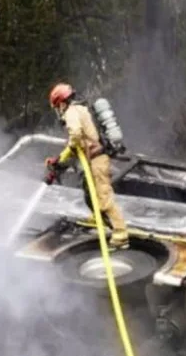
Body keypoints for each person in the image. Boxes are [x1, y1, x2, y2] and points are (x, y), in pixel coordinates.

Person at [46, 82, 130, 249]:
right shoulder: (80, 110)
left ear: (61, 103)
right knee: (89, 193)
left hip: (97, 159)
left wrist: (68, 150)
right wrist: (60, 161)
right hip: (92, 159)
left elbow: (75, 136)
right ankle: (99, 217)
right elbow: (76, 147)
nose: (59, 110)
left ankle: (120, 234)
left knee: (103, 197)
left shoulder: (71, 112)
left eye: (57, 106)